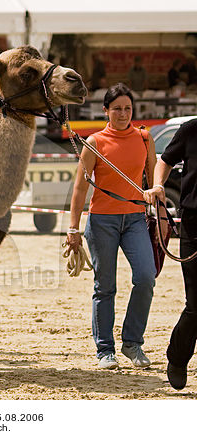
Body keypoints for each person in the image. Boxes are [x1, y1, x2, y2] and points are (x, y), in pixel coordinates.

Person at [67, 83, 156, 370]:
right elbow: (80, 189)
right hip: (102, 221)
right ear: (105, 110)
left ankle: (132, 343)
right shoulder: (94, 142)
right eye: (116, 108)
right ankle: (105, 350)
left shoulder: (144, 138)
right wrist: (73, 229)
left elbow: (153, 181)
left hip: (135, 219)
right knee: (105, 287)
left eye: (127, 108)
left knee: (146, 277)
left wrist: (156, 192)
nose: (123, 113)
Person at [143, 118, 197, 390]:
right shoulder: (190, 130)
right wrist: (159, 185)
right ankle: (177, 358)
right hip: (194, 225)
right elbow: (164, 161)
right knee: (196, 305)